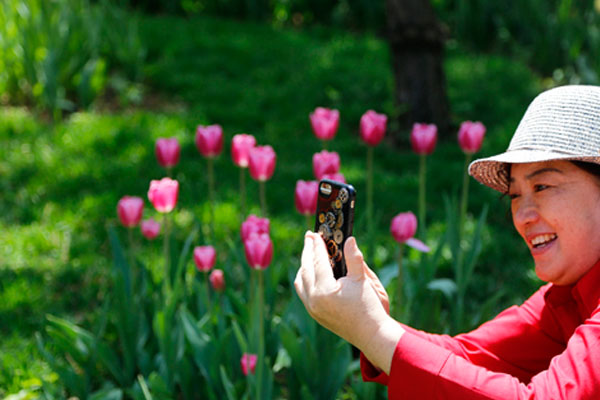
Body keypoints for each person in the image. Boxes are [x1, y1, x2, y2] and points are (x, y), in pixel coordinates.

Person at [294, 85, 600, 399]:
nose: (522, 216)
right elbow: (469, 356)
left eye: (544, 186)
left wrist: (372, 331)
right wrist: (370, 320)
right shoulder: (564, 298)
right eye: (514, 195)